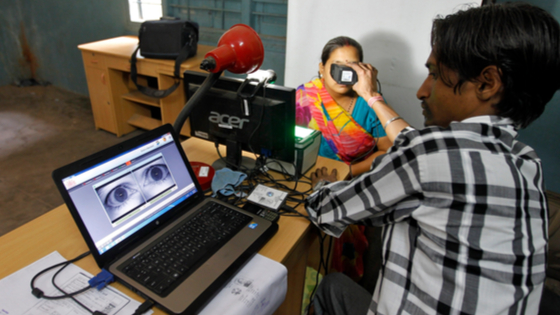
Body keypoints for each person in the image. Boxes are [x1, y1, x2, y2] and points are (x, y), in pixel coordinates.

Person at [305, 3, 560, 315]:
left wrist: (321, 185)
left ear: (487, 83)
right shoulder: (527, 162)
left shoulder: (430, 155)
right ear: (321, 67)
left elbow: (325, 210)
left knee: (330, 285)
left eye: (435, 74)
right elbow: (413, 142)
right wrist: (373, 96)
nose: (421, 91)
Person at [296, 36, 392, 177]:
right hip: (306, 173)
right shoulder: (305, 95)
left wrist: (347, 173)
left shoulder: (371, 102)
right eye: (337, 66)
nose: (343, 75)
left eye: (351, 67)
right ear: (322, 68)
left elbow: (387, 152)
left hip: (356, 179)